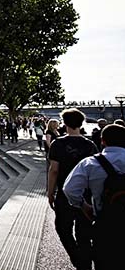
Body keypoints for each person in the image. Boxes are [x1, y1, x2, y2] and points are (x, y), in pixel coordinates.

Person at [63, 124, 125, 270]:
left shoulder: (90, 163)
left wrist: (84, 206)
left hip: (106, 225)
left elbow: (70, 189)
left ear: (102, 141)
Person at [47, 108, 97, 270]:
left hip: (64, 193)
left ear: (64, 123)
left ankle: (78, 260)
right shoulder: (90, 145)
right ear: (81, 123)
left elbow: (54, 170)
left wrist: (50, 192)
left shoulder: (58, 143)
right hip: (86, 194)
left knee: (63, 229)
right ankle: (85, 260)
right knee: (84, 232)